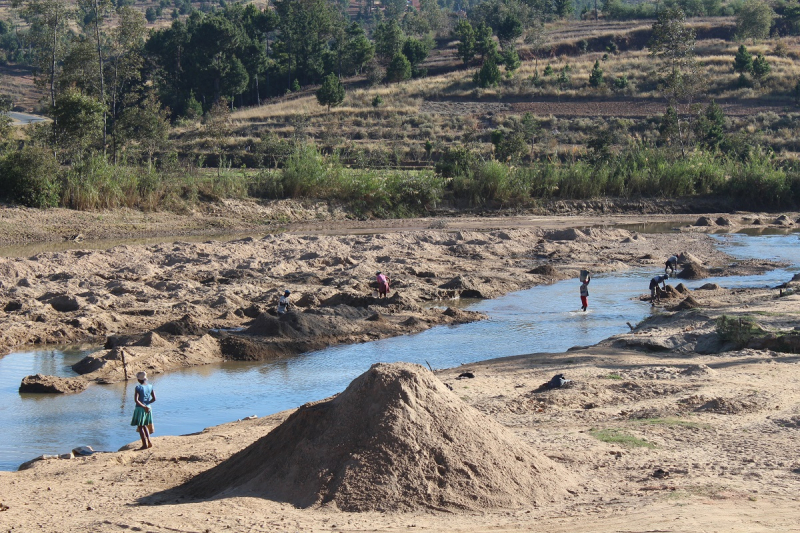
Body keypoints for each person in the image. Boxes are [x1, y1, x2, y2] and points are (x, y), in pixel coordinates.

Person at [130, 371, 156, 450]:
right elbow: (154, 399)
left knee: (141, 426)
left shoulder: (138, 387)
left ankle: (144, 444)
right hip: (148, 408)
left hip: (140, 409)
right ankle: (148, 441)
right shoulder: (150, 386)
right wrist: (147, 404)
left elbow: (136, 400)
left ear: (139, 380)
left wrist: (143, 406)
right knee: (145, 425)